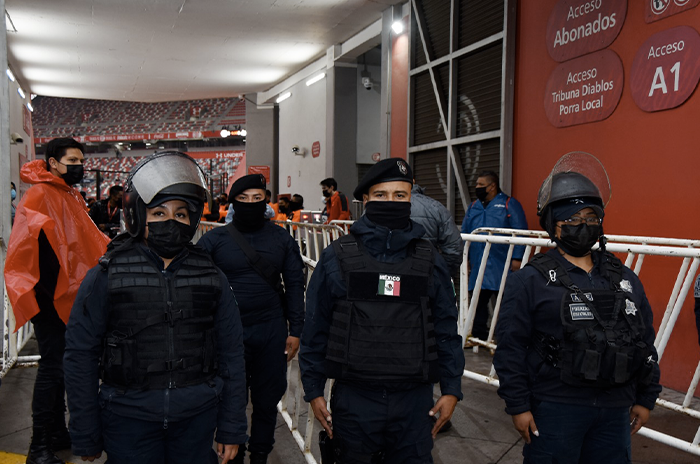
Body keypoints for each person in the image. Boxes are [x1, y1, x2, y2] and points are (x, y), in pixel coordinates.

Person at [63, 151, 247, 464]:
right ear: (138, 216)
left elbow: (232, 354)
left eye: (180, 213)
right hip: (127, 419)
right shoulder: (107, 274)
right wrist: (85, 431)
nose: (171, 221)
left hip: (197, 419)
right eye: (158, 214)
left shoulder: (211, 275)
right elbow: (80, 355)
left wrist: (232, 427)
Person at [493, 153, 661, 464]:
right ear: (552, 225)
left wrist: (646, 397)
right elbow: (510, 347)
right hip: (555, 407)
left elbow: (644, 338)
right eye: (571, 219)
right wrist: (518, 405)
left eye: (590, 218)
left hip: (614, 409)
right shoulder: (530, 280)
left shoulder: (623, 277)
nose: (582, 226)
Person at [300, 158, 465, 463]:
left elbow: (445, 328)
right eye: (381, 195)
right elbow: (315, 328)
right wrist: (313, 389)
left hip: (414, 402)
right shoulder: (337, 257)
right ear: (366, 199)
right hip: (355, 399)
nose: (391, 202)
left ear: (410, 199)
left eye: (400, 195)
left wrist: (452, 388)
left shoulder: (430, 260)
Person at [4, 137, 110, 464]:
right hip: (51, 299)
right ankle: (39, 447)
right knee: (53, 368)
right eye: (72, 161)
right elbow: (34, 249)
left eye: (81, 160)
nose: (78, 167)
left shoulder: (65, 194)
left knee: (63, 367)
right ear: (53, 163)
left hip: (66, 296)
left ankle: (56, 433)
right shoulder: (40, 194)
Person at [198, 174, 305, 464]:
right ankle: (233, 453)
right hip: (227, 333)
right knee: (228, 396)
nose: (250, 204)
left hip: (270, 330)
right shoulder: (215, 240)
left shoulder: (281, 238)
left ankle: (260, 454)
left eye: (257, 198)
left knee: (267, 399)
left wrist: (296, 329)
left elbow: (295, 284)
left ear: (266, 200)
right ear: (233, 203)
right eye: (243, 199)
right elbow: (197, 286)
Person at [460, 170, 527, 344]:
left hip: (501, 264)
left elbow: (521, 232)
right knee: (477, 302)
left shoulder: (509, 204)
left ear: (492, 186)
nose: (477, 188)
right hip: (478, 264)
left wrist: (517, 258)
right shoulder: (474, 206)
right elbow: (465, 232)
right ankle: (478, 337)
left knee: (504, 304)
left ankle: (501, 338)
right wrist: (464, 258)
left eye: (481, 185)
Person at [410, 182, 464, 275]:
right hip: (427, 276)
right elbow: (454, 249)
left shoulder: (380, 205)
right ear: (413, 181)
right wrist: (440, 274)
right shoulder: (435, 207)